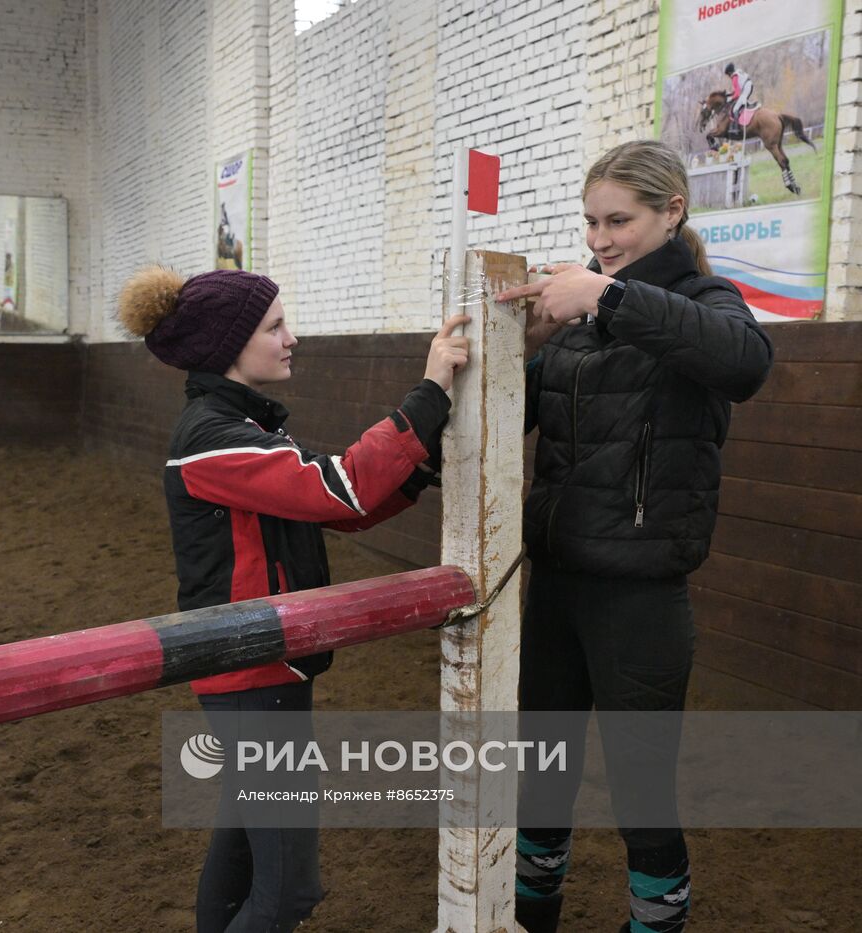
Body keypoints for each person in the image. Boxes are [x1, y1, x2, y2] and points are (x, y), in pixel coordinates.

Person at [117, 265, 470, 932]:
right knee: (288, 891)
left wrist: (419, 461)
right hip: (252, 672)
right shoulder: (212, 437)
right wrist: (428, 392)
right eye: (275, 326)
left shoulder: (236, 425)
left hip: (257, 670)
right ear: (229, 346)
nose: (292, 337)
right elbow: (340, 488)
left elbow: (340, 508)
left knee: (244, 856)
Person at [494, 140, 773, 933]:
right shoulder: (580, 324)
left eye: (619, 220)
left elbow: (746, 363)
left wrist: (605, 298)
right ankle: (527, 914)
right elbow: (508, 423)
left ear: (671, 212)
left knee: (640, 784)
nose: (601, 238)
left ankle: (656, 923)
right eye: (591, 221)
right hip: (555, 583)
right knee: (541, 773)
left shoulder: (705, 298)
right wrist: (502, 357)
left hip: (640, 598)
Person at [724, 62, 755, 130]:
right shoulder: (738, 72)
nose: (728, 77)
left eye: (727, 75)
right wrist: (730, 94)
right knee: (740, 103)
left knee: (735, 108)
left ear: (729, 73)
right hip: (748, 86)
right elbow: (736, 90)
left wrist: (730, 98)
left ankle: (736, 128)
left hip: (746, 88)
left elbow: (737, 94)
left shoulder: (734, 78)